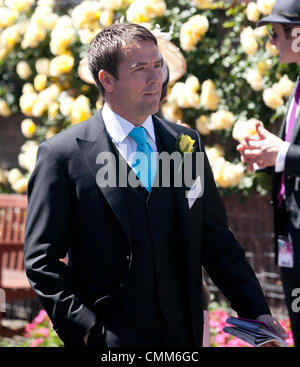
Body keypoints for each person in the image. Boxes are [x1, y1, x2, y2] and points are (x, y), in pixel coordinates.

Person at [24, 22, 285, 348]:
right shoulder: (62, 155)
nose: (155, 78)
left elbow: (215, 240)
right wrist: (88, 331)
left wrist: (256, 313)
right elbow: (41, 262)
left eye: (158, 65)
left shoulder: (186, 143)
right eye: (140, 68)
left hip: (183, 339)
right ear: (107, 80)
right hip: (110, 341)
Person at [237, 0, 300, 347]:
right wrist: (269, 157)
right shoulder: (297, 84)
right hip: (291, 238)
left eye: (276, 33)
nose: (272, 42)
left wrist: (283, 153)